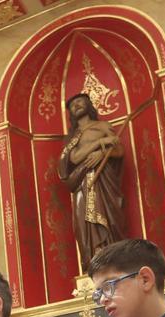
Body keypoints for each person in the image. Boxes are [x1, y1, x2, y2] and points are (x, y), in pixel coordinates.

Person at [58, 93, 125, 269]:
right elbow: (74, 158)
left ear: (88, 104)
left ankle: (112, 258)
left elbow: (119, 151)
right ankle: (95, 260)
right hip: (83, 185)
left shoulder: (102, 126)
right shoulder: (72, 138)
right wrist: (99, 143)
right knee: (84, 226)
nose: (76, 106)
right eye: (72, 105)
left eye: (80, 102)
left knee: (107, 217)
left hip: (104, 181)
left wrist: (102, 153)